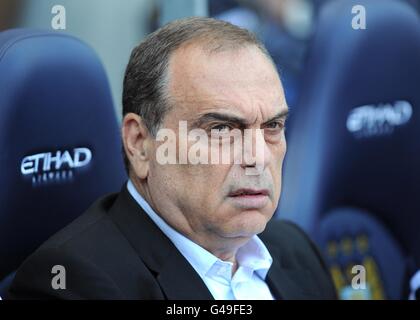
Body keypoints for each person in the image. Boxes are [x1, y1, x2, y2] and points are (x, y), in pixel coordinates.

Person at [7, 17, 336, 300]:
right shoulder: (73, 283)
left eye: (273, 126)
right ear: (140, 143)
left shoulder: (296, 249)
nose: (258, 157)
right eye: (221, 128)